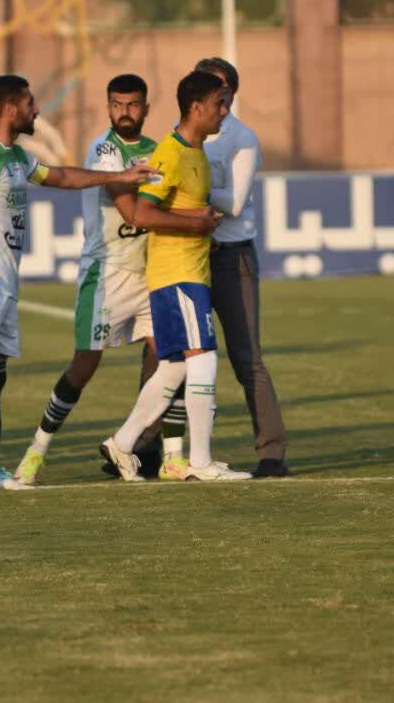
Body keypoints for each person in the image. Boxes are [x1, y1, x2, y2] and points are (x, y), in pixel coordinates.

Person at [0, 74, 155, 492]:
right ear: (9, 109)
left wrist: (120, 178)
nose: (36, 110)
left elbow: (63, 178)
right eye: (29, 104)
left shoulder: (17, 156)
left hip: (5, 280)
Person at [6, 74, 168, 488]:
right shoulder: (105, 149)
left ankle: (143, 448)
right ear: (108, 107)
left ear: (146, 108)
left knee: (168, 360)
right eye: (117, 104)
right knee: (84, 365)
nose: (125, 112)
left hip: (150, 272)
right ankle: (37, 450)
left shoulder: (159, 151)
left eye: (133, 105)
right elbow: (131, 211)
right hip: (107, 272)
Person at [101, 70, 252, 483]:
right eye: (219, 104)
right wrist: (195, 223)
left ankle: (122, 442)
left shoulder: (196, 151)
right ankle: (200, 462)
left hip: (190, 270)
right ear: (196, 107)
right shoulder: (170, 153)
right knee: (203, 359)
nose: (225, 112)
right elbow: (141, 213)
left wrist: (203, 227)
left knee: (173, 368)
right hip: (177, 273)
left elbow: (181, 211)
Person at [195, 57, 291, 478]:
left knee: (246, 357)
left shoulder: (242, 138)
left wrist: (187, 187)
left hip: (232, 258)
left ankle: (272, 452)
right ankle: (148, 448)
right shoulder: (185, 133)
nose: (211, 95)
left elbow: (233, 203)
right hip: (191, 253)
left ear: (231, 94)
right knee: (167, 352)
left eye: (218, 88)